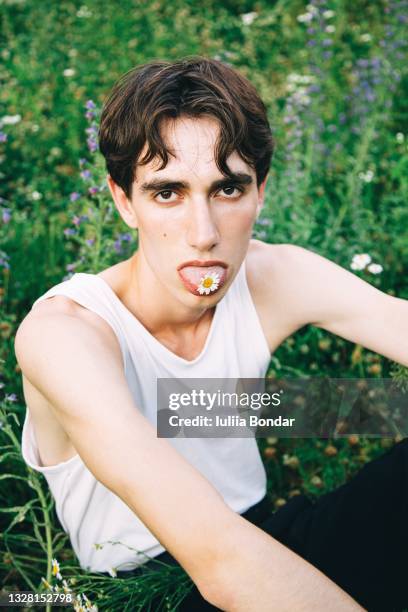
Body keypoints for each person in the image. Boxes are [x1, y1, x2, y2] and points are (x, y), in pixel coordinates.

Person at [14, 56, 408, 611]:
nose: (203, 235)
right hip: (148, 592)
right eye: (168, 193)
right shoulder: (64, 334)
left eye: (227, 189)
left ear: (260, 192)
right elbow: (220, 561)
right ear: (124, 201)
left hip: (266, 536)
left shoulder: (274, 277)